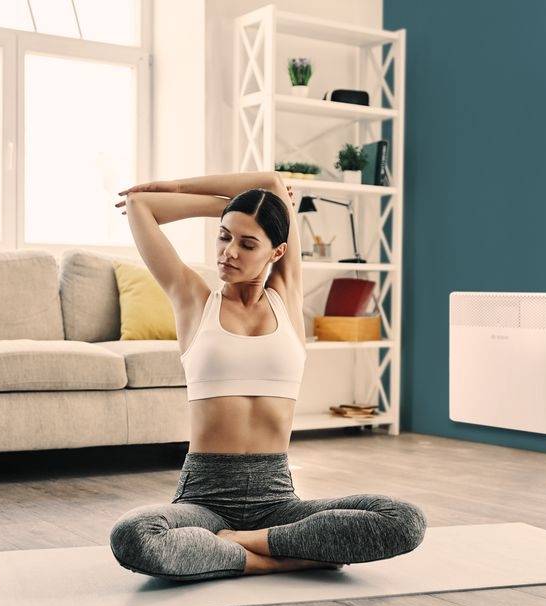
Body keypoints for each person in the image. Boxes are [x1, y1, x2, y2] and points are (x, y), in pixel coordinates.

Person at [107, 171, 426, 581]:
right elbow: (140, 206)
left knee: (404, 519)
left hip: (276, 499)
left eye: (247, 243)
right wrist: (220, 204)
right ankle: (286, 555)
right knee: (134, 536)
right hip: (203, 500)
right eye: (224, 237)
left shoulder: (288, 295)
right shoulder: (192, 298)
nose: (228, 252)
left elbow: (274, 184)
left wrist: (238, 201)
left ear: (277, 253)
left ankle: (239, 545)